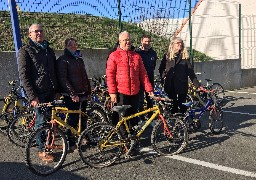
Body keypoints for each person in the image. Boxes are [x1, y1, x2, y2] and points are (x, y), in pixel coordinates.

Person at [18, 23, 59, 162]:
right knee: (40, 123)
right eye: (35, 31)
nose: (39, 33)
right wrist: (32, 96)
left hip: (51, 91)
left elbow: (54, 72)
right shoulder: (25, 51)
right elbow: (24, 76)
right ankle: (42, 150)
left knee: (51, 121)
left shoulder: (49, 50)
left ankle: (49, 144)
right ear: (30, 34)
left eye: (40, 31)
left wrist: (57, 90)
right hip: (38, 93)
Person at [106, 31, 154, 128]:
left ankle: (132, 138)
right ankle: (122, 139)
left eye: (129, 40)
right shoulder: (114, 55)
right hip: (121, 93)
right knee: (122, 118)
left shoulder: (136, 56)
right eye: (125, 40)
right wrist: (112, 93)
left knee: (133, 116)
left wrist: (149, 89)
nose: (128, 42)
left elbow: (143, 74)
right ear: (120, 41)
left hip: (135, 92)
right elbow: (110, 75)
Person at [56, 38, 91, 150]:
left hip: (83, 93)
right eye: (71, 45)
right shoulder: (63, 60)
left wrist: (89, 91)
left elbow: (85, 76)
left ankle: (82, 136)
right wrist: (72, 94)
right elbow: (63, 79)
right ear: (66, 47)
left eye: (75, 45)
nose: (74, 47)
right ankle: (70, 142)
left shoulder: (79, 58)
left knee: (83, 117)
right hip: (71, 95)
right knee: (73, 118)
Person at [159, 37, 200, 114]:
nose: (180, 44)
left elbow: (190, 72)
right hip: (170, 85)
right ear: (173, 45)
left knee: (182, 106)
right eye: (177, 43)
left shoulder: (185, 57)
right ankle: (174, 122)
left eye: (181, 43)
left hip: (182, 85)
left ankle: (183, 123)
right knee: (172, 106)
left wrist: (197, 85)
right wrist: (163, 77)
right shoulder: (167, 56)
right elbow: (161, 68)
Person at [135, 34, 157, 115]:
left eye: (148, 41)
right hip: (139, 80)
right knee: (140, 100)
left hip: (150, 79)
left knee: (150, 99)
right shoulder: (137, 53)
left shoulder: (153, 53)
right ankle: (141, 117)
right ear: (141, 42)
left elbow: (153, 65)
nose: (147, 43)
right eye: (145, 41)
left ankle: (150, 117)